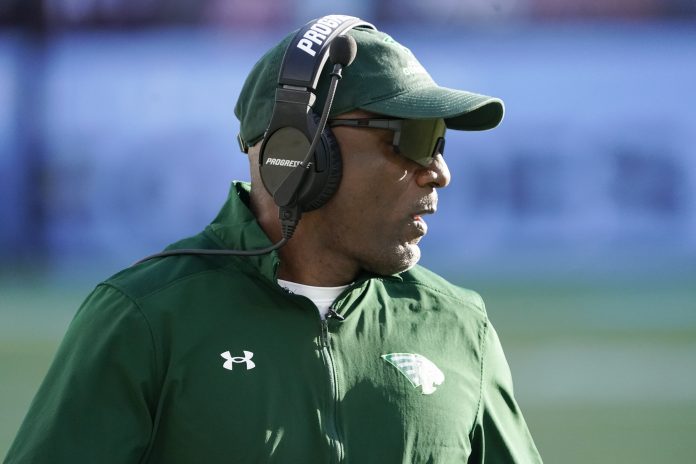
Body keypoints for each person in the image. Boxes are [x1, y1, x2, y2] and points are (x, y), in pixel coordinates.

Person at [4, 15, 542, 464]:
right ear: (302, 154)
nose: (440, 172)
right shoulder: (145, 319)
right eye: (417, 139)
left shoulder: (458, 326)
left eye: (442, 143)